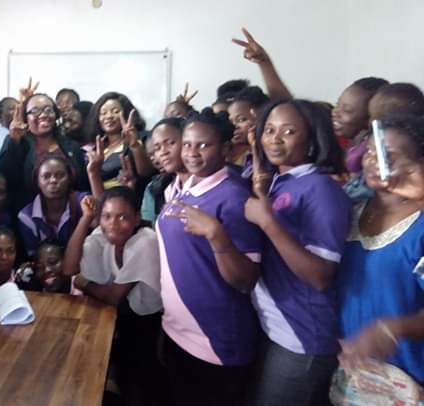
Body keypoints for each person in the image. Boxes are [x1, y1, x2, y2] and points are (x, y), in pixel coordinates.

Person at [244, 99, 351, 405]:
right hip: (275, 324)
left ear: (312, 138)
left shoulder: (321, 189)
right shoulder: (281, 181)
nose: (275, 139)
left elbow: (320, 275)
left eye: (288, 131)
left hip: (302, 335)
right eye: (269, 130)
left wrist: (268, 222)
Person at [156, 108, 262, 405]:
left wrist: (217, 234)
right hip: (178, 328)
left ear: (226, 148)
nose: (192, 153)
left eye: (204, 145)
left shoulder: (234, 197)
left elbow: (246, 280)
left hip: (215, 339)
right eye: (188, 144)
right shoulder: (187, 185)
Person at [337, 115, 424, 385]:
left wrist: (393, 328)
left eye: (389, 155)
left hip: (410, 374)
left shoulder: (419, 228)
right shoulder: (351, 212)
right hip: (356, 368)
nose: (374, 162)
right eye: (370, 152)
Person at [63, 188, 163, 406]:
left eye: (122, 217)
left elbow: (113, 297)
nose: (113, 224)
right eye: (106, 216)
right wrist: (86, 219)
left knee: (140, 380)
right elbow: (69, 268)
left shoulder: (146, 241)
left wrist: (84, 283)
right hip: (119, 318)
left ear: (137, 218)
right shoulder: (103, 234)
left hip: (147, 323)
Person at [0, 92, 88, 211]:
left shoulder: (71, 146)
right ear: (26, 117)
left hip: (71, 212)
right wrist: (14, 141)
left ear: (56, 115)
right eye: (35, 111)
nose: (43, 115)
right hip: (28, 213)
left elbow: (82, 183)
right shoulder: (17, 142)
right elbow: (7, 178)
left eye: (48, 110)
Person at [17, 155, 88, 259]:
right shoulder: (26, 216)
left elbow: (100, 221)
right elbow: (34, 258)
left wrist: (93, 173)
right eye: (46, 176)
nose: (53, 180)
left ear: (69, 179)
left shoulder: (82, 201)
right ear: (37, 182)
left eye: (60, 175)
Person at [83, 92, 153, 194]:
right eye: (103, 113)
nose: (109, 116)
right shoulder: (96, 147)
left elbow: (146, 173)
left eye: (115, 112)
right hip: (102, 200)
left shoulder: (142, 138)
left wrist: (135, 146)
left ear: (126, 114)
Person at [140, 118, 187, 224]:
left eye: (170, 143)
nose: (163, 152)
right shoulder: (167, 189)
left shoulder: (206, 183)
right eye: (157, 148)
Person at [226, 86, 270, 168]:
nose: (234, 126)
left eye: (241, 120)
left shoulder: (271, 153)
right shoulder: (238, 158)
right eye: (231, 121)